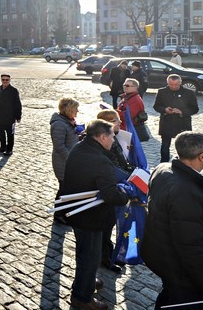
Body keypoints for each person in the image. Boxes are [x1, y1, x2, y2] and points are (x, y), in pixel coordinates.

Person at [142, 132, 203, 309]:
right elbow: (189, 247)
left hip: (163, 257)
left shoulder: (162, 168)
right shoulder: (186, 193)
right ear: (202, 157)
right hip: (181, 270)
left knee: (170, 297)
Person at [62, 120, 131, 310]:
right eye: (111, 136)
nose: (113, 140)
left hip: (79, 213)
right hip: (91, 217)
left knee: (85, 253)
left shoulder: (80, 146)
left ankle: (86, 282)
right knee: (90, 257)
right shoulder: (100, 160)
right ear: (102, 137)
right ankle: (82, 298)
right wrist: (126, 195)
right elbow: (110, 194)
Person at [95, 109, 132, 275]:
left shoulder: (116, 138)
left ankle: (110, 255)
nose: (120, 123)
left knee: (109, 225)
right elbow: (112, 166)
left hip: (118, 184)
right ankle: (106, 257)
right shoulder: (105, 143)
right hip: (111, 189)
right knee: (106, 226)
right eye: (116, 121)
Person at [153, 74, 199, 163]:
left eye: (176, 85)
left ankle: (183, 164)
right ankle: (163, 163)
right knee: (165, 146)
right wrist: (165, 109)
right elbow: (156, 106)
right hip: (167, 123)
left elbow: (194, 109)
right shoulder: (162, 92)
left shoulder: (189, 93)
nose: (173, 87)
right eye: (171, 85)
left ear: (180, 83)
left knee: (184, 147)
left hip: (182, 123)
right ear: (168, 83)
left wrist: (181, 111)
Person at [50, 97, 81, 224]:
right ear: (68, 110)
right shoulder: (59, 124)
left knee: (67, 188)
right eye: (75, 109)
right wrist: (72, 160)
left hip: (69, 161)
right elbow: (59, 147)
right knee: (63, 189)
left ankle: (64, 212)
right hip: (63, 162)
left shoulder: (68, 120)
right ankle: (58, 214)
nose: (77, 111)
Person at [0, 73, 22, 156]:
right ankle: (3, 146)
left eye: (7, 80)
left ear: (9, 80)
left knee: (10, 134)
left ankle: (9, 149)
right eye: (3, 79)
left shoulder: (14, 91)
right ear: (1, 80)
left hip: (10, 117)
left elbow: (18, 104)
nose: (5, 81)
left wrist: (18, 116)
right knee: (0, 133)